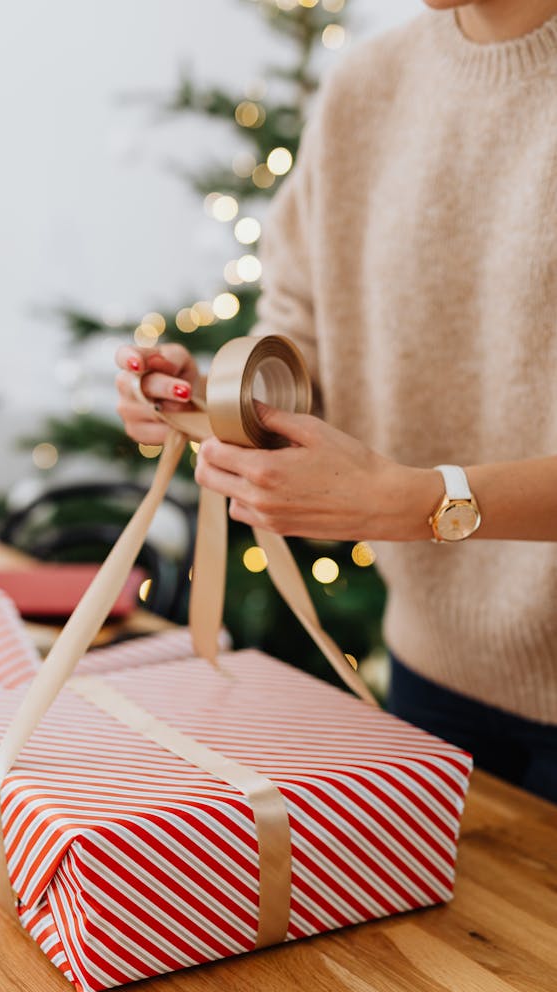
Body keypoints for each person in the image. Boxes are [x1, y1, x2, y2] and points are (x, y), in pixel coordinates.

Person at [114, 0, 557, 802]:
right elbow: (300, 329)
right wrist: (209, 399)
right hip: (433, 683)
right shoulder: (367, 86)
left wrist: (430, 500)